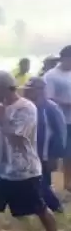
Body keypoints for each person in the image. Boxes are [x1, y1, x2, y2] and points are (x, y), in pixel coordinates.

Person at [0, 70, 59, 231]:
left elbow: (18, 138)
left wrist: (1, 116)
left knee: (40, 208)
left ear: (3, 88)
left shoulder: (26, 108)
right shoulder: (0, 107)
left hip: (23, 170)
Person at [23, 77, 66, 213]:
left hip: (46, 153)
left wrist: (55, 155)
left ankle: (55, 206)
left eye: (31, 89)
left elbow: (60, 133)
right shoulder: (26, 107)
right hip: (30, 151)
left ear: (41, 90)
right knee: (35, 180)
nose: (27, 92)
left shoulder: (51, 108)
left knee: (42, 181)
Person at [43, 46, 71, 191]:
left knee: (69, 153)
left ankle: (68, 182)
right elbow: (48, 98)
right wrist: (67, 103)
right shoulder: (51, 76)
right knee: (57, 153)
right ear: (65, 58)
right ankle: (51, 183)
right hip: (59, 121)